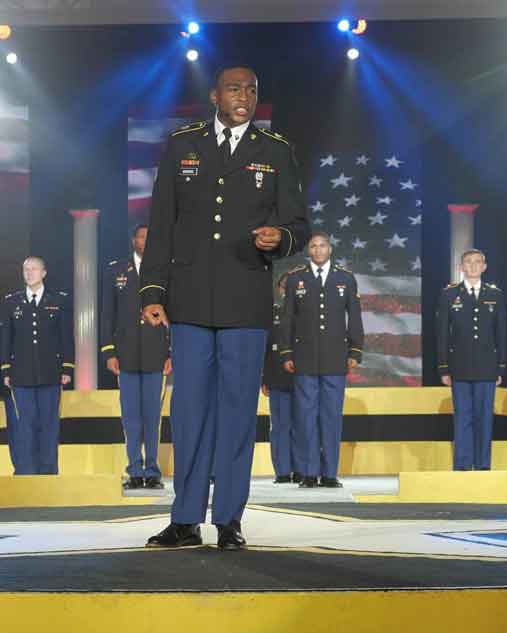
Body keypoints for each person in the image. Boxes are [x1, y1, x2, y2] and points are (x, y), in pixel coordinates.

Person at [140, 65, 310, 550]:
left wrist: (282, 238)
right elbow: (161, 223)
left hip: (245, 303)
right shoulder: (182, 145)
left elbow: (298, 223)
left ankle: (229, 520)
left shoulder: (275, 152)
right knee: (190, 413)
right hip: (189, 301)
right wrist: (152, 291)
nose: (245, 96)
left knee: (237, 415)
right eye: (235, 88)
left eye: (253, 89)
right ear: (215, 95)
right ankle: (185, 519)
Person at [280, 233, 364, 488]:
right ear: (309, 250)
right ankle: (308, 472)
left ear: (330, 249)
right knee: (305, 417)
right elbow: (287, 320)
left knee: (331, 417)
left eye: (322, 245)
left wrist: (355, 351)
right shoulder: (296, 279)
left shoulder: (345, 279)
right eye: (313, 246)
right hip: (304, 357)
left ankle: (329, 473)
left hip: (335, 358)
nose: (318, 250)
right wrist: (286, 352)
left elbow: (355, 318)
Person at [101, 225, 172, 490]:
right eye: (141, 236)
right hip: (126, 354)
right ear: (134, 240)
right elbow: (107, 313)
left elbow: (171, 315)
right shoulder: (115, 270)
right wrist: (108, 351)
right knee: (130, 417)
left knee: (152, 416)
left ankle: (152, 470)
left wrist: (171, 353)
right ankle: (134, 470)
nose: (144, 241)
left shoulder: (164, 270)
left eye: (149, 237)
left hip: (156, 354)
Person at [0, 256, 74, 475]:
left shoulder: (58, 300)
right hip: (21, 375)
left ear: (44, 273)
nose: (29, 273)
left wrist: (67, 368)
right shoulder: (12, 301)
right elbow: (6, 337)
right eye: (26, 269)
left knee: (49, 425)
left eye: (34, 269)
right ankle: (26, 471)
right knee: (25, 425)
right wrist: (5, 368)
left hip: (50, 374)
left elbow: (65, 337)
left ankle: (48, 472)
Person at [436, 249, 506, 471]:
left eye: (478, 262)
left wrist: (501, 367)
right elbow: (442, 334)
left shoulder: (496, 295)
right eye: (468, 262)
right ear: (461, 267)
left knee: (484, 419)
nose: (473, 266)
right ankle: (463, 465)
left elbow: (502, 334)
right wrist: (444, 368)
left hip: (487, 367)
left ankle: (483, 465)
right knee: (463, 418)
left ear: (484, 266)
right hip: (460, 366)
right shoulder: (449, 295)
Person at [261, 272, 299, 484]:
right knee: (280, 426)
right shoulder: (271, 314)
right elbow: (265, 350)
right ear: (279, 289)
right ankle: (283, 471)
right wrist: (264, 379)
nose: (287, 291)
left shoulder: (307, 314)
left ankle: (303, 469)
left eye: (291, 287)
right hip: (277, 378)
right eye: (284, 287)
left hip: (304, 378)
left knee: (303, 425)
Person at [0, 326, 20, 473]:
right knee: (16, 430)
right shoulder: (8, 315)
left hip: (43, 384)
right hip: (13, 386)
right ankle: (21, 470)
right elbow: (2, 349)